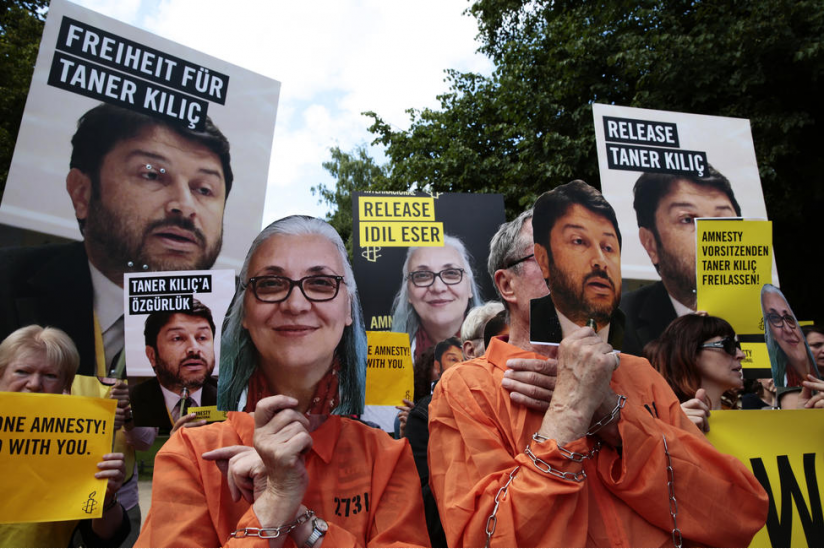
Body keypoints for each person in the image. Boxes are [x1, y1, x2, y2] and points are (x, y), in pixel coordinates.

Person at [427, 191, 768, 547]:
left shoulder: (638, 373)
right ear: (506, 284)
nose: (592, 264)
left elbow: (736, 513)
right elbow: (486, 540)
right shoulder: (466, 388)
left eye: (606, 250)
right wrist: (569, 412)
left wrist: (612, 415)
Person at [135, 216, 427, 547]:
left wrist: (304, 523)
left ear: (348, 308)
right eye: (271, 283)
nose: (296, 304)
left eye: (321, 283)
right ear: (245, 311)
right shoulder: (190, 453)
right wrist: (274, 503)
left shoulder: (387, 459)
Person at [0, 325, 129, 547]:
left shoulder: (81, 444)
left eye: (50, 375)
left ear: (65, 386)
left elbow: (104, 539)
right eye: (22, 371)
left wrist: (106, 498)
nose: (34, 384)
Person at [621, 167, 741, 355]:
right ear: (650, 244)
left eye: (722, 220)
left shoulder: (771, 318)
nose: (710, 234)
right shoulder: (620, 320)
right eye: (687, 220)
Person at [529, 180, 625, 346]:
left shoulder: (642, 341)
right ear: (543, 260)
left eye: (608, 247)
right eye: (579, 241)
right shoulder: (522, 331)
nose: (600, 262)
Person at [646, 314, 746, 432]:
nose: (741, 355)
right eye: (728, 345)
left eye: (737, 346)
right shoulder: (652, 420)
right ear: (691, 353)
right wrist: (673, 431)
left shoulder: (743, 421)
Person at [129, 299, 218, 430]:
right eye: (177, 338)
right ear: (152, 355)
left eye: (202, 337)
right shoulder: (134, 402)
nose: (194, 348)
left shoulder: (231, 397)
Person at [391, 235, 482, 359]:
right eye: (422, 275)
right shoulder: (388, 360)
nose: (438, 288)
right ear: (409, 293)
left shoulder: (505, 348)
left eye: (451, 273)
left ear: (469, 288)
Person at [761, 284, 820, 388]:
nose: (788, 330)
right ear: (771, 334)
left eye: (789, 318)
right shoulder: (782, 384)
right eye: (775, 318)